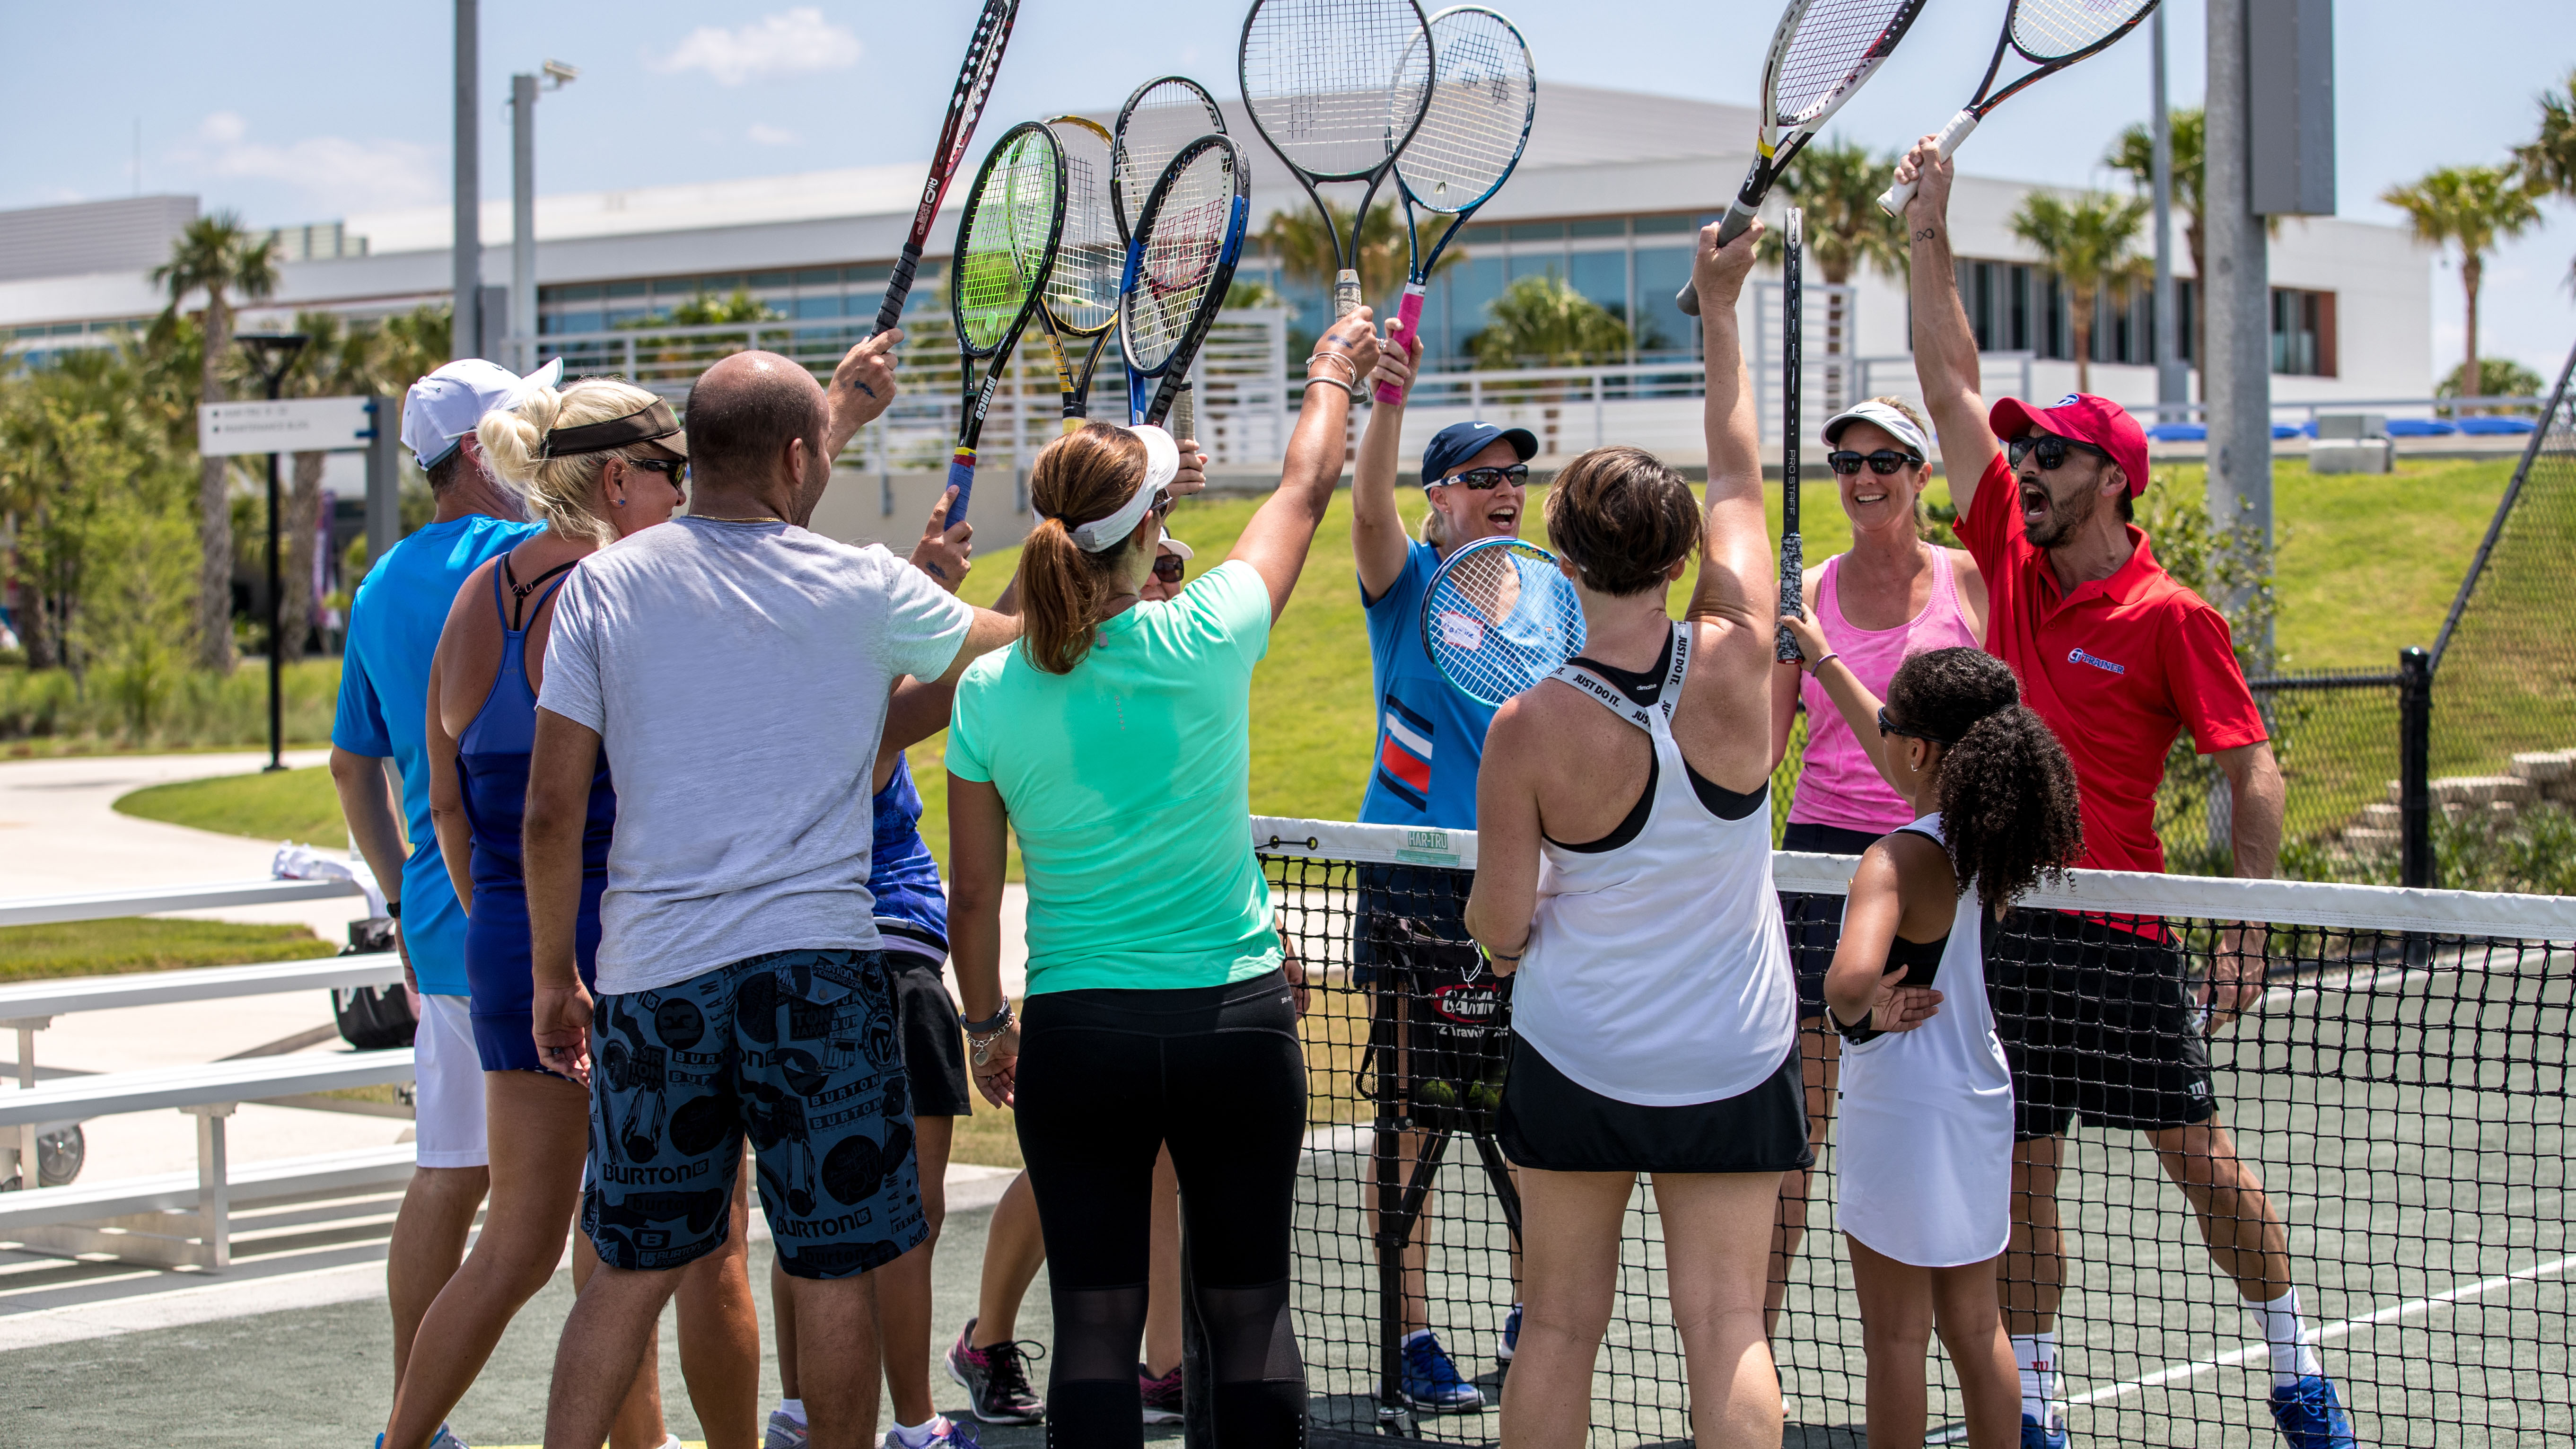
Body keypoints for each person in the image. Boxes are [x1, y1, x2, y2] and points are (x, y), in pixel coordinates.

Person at [1895, 137, 2350, 1449]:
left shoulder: (2168, 616)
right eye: (2019, 453)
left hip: (2121, 932)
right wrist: (1932, 227)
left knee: (2197, 1166)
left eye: (2049, 456)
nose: (2021, 467)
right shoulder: (2011, 556)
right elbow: (1946, 376)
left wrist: (2246, 920)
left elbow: (2243, 762)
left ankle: (2293, 1372)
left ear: (2110, 478)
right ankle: (2033, 1409)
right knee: (2017, 1173)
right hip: (2008, 926)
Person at [523, 334, 1022, 1449]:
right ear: (799, 459)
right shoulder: (859, 581)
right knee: (834, 1261)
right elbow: (1008, 649)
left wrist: (557, 976)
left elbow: (552, 809)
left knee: (629, 1270)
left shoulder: (601, 583)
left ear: (691, 455)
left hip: (653, 979)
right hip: (821, 974)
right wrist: (1088, 556)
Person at [944, 310, 1382, 1449]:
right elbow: (1303, 485)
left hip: (1079, 1033)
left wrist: (988, 1025)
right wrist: (1331, 369)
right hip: (1236, 1026)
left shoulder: (989, 688)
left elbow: (975, 897)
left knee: (1092, 1321)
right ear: (1150, 530)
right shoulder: (1213, 629)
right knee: (1249, 1315)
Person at [1463, 223, 1805, 1449]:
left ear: (1560, 554)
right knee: (1725, 1326)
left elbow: (1500, 927)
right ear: (1678, 557)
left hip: (1578, 1054)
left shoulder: (1525, 727)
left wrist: (1500, 924)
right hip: (1730, 1051)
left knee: (1556, 1327)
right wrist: (1720, 307)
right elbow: (1735, 472)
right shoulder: (1743, 653)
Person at [393, 379, 755, 1449]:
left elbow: (445, 796)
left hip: (504, 937)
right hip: (625, 945)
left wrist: (500, 919)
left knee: (520, 1239)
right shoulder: (625, 593)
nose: (685, 494)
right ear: (613, 477)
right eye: (672, 472)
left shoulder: (474, 597)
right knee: (704, 1240)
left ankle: (399, 1439)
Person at [1779, 632, 2083, 1449]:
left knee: (1895, 1340)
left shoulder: (1892, 859)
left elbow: (1846, 982)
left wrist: (1863, 1012)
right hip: (1978, 1100)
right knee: (1975, 1324)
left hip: (1902, 1112)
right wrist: (1821, 655)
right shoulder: (1991, 838)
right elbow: (1901, 762)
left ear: (1918, 748)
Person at [330, 355, 556, 1449]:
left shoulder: (379, 583)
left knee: (450, 1174)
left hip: (444, 914)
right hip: (551, 915)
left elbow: (349, 765)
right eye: (522, 423)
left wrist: (400, 897)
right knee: (609, 1207)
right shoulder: (531, 557)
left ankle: (413, 1421)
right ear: (479, 451)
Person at [941, 527, 1200, 1433]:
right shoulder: (1031, 688)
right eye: (1161, 561)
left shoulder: (1181, 670)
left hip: (1179, 979)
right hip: (1086, 986)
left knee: (1161, 1160)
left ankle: (1166, 1363)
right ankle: (989, 1341)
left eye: (1179, 564)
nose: (1173, 579)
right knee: (1082, 1170)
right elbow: (973, 891)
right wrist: (987, 1021)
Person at [766, 488, 985, 1449]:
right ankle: (914, 1422)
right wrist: (1069, 543)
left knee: (805, 1206)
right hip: (889, 968)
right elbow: (993, 646)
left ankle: (801, 1407)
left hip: (797, 966)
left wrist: (922, 575)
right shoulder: (859, 714)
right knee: (904, 1215)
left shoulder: (768, 691)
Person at [1764, 395, 1988, 1336]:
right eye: (1845, 461)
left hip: (1942, 865)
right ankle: (1753, 1343)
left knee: (1945, 1107)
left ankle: (2002, 1363)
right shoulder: (1807, 593)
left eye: (1883, 459)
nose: (1862, 478)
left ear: (1919, 473)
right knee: (1796, 1126)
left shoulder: (1970, 581)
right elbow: (1763, 744)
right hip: (1824, 865)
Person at [1350, 335, 1534, 1411]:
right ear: (1439, 498)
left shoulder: (1552, 598)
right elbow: (1364, 504)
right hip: (1411, 885)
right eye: (1480, 476)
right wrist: (1388, 398)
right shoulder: (1405, 577)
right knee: (1410, 1118)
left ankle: (1530, 1308)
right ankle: (1411, 1329)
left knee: (1529, 1112)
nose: (1504, 490)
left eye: (1514, 474)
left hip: (1523, 887)